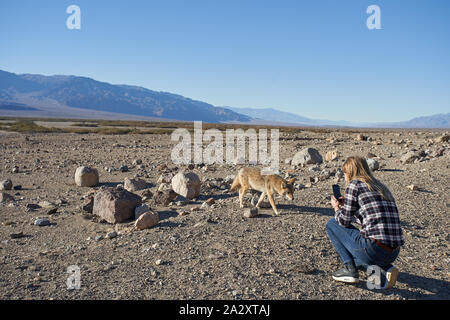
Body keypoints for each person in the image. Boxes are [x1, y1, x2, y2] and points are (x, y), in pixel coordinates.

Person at [326, 156, 404, 289]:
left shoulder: (354, 185)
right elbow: (369, 219)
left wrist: (336, 207)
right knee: (361, 254)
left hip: (373, 249)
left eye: (344, 173)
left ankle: (350, 270)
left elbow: (343, 221)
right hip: (393, 252)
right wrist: (352, 206)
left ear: (350, 173)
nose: (344, 177)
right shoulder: (381, 187)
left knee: (332, 224)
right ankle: (385, 269)